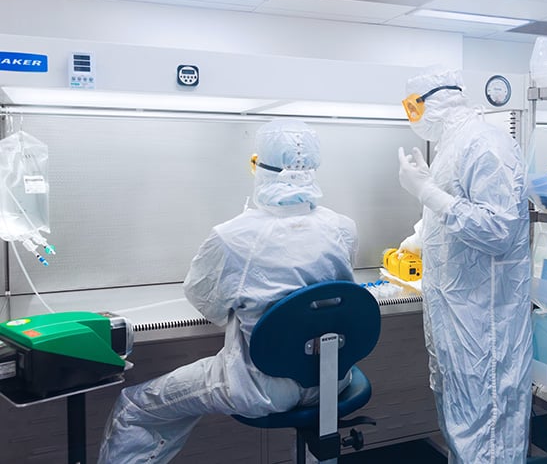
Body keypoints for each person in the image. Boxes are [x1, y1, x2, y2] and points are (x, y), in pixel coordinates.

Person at [98, 119, 358, 463]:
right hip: (332, 378)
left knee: (135, 407)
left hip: (261, 388)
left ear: (258, 166)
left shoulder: (233, 236)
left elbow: (207, 302)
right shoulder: (342, 226)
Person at [396, 69, 533, 463]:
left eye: (411, 107)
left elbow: (500, 228)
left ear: (429, 102)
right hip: (458, 321)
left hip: (486, 325)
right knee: (465, 433)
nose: (411, 117)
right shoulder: (453, 147)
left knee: (488, 437)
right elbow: (455, 213)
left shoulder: (486, 143)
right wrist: (420, 238)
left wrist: (425, 191)